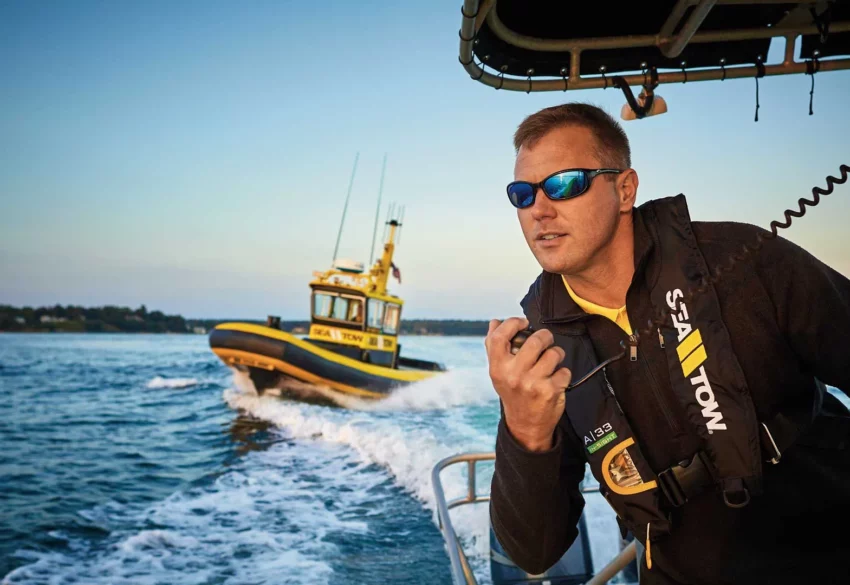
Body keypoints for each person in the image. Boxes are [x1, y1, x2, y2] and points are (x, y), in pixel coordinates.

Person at [484, 102, 850, 585]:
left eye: (564, 184)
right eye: (522, 194)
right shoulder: (543, 353)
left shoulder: (745, 262)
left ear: (624, 189)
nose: (540, 210)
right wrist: (525, 431)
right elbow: (535, 551)